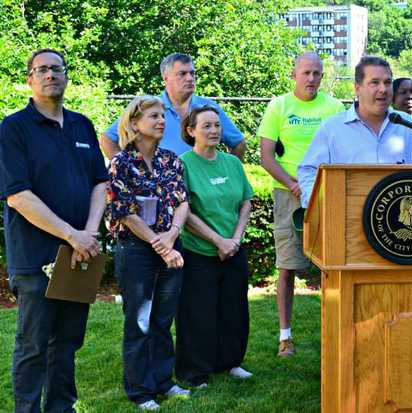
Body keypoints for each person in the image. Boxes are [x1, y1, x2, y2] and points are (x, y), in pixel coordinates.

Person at [0, 49, 108, 413]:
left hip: (80, 255)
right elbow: (18, 196)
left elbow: (99, 183)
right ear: (30, 78)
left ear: (65, 76)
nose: (50, 75)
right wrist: (71, 235)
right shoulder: (13, 128)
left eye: (56, 69)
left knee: (67, 343)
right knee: (33, 345)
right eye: (41, 69)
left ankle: (61, 408)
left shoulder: (82, 125)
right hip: (36, 259)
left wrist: (88, 234)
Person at [257, 52, 345, 357]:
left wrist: (318, 187)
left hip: (327, 194)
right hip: (288, 194)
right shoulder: (278, 106)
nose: (311, 79)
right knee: (287, 266)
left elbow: (344, 150)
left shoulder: (334, 108)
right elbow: (266, 157)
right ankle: (285, 336)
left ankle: (336, 330)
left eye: (317, 74)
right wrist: (294, 184)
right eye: (306, 73)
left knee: (333, 266)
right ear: (294, 75)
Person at [107, 96, 190, 410]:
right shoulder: (121, 163)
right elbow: (124, 211)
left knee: (163, 320)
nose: (161, 121)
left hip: (171, 245)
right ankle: (141, 390)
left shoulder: (171, 160)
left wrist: (172, 235)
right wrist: (160, 244)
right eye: (153, 116)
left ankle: (163, 381)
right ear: (134, 124)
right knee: (139, 321)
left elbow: (182, 202)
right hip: (136, 250)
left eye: (162, 116)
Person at [175, 106, 254, 386]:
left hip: (233, 249)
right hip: (200, 252)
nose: (213, 131)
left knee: (234, 309)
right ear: (191, 130)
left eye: (217, 126)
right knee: (199, 313)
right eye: (206, 126)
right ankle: (194, 371)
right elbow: (186, 212)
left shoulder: (232, 163)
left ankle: (230, 362)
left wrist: (235, 239)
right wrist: (218, 241)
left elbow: (246, 201)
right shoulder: (182, 164)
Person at [298, 56, 412, 208]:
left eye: (387, 82)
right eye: (375, 82)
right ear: (357, 88)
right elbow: (308, 171)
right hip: (345, 221)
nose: (383, 89)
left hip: (398, 223)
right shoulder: (332, 128)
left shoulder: (409, 127)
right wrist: (320, 204)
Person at [100, 53, 246, 160]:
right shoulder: (149, 107)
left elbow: (238, 143)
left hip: (201, 193)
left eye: (192, 73)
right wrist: (130, 172)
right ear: (166, 78)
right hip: (159, 190)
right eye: (182, 74)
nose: (189, 78)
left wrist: (226, 174)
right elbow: (107, 139)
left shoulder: (208, 108)